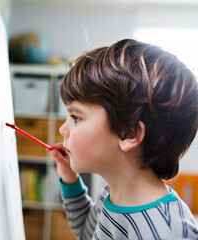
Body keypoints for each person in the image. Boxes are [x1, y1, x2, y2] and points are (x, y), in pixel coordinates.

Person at [50, 39, 198, 239]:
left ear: (129, 134)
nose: (62, 129)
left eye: (76, 117)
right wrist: (70, 179)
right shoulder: (113, 193)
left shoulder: (167, 232)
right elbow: (87, 232)